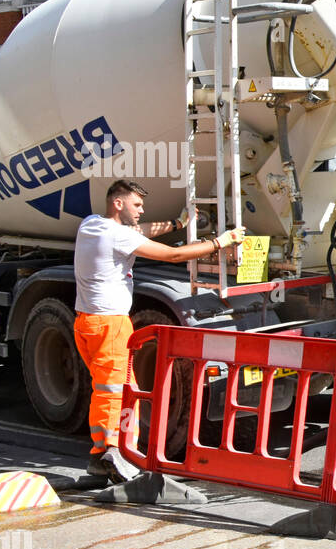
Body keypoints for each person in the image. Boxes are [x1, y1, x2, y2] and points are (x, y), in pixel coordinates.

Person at [73, 179, 244, 483]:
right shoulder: (118, 235)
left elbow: (140, 231)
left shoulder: (92, 225)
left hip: (86, 323)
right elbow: (171, 255)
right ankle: (118, 454)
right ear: (118, 203)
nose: (141, 211)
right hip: (111, 324)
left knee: (104, 390)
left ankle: (99, 456)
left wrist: (178, 223)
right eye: (136, 205)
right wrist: (222, 241)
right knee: (120, 392)